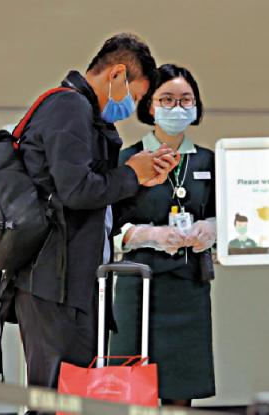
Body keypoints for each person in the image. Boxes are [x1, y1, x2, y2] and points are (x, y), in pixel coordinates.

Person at [12, 33, 179, 403]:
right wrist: (131, 173)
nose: (131, 107)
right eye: (135, 96)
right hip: (55, 282)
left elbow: (99, 205)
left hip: (74, 280)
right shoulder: (68, 106)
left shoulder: (86, 116)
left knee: (75, 395)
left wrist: (143, 181)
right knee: (58, 397)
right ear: (116, 74)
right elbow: (76, 190)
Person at [110, 64, 216, 407]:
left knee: (180, 394)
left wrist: (211, 229)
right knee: (133, 393)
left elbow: (229, 217)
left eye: (186, 100)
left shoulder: (208, 161)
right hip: (138, 287)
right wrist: (148, 235)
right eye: (167, 99)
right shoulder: (127, 159)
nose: (177, 107)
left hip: (188, 287)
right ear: (150, 106)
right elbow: (108, 228)